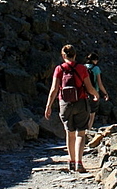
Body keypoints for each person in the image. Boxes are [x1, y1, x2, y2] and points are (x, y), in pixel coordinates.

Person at [45, 44, 98, 173]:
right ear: (75, 55)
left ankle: (72, 160)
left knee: (70, 133)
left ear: (63, 55)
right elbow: (89, 87)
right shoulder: (81, 68)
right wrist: (96, 95)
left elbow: (54, 89)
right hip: (81, 102)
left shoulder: (59, 69)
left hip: (65, 104)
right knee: (81, 133)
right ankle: (79, 162)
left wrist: (48, 106)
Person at [85, 51, 109, 129]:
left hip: (83, 92)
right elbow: (99, 83)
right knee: (92, 114)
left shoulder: (83, 67)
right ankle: (88, 130)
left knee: (83, 113)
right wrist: (105, 93)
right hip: (94, 93)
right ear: (94, 60)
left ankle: (80, 132)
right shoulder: (96, 69)